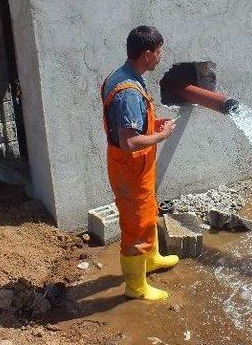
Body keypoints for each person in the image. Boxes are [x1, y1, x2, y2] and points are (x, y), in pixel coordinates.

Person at [101, 26, 178, 301]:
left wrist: (152, 124)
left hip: (137, 168)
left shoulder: (125, 75)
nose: (160, 57)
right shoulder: (129, 93)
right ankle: (135, 287)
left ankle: (152, 258)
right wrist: (161, 135)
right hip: (130, 168)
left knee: (148, 211)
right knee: (135, 226)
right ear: (146, 54)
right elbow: (129, 142)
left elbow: (129, 125)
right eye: (158, 52)